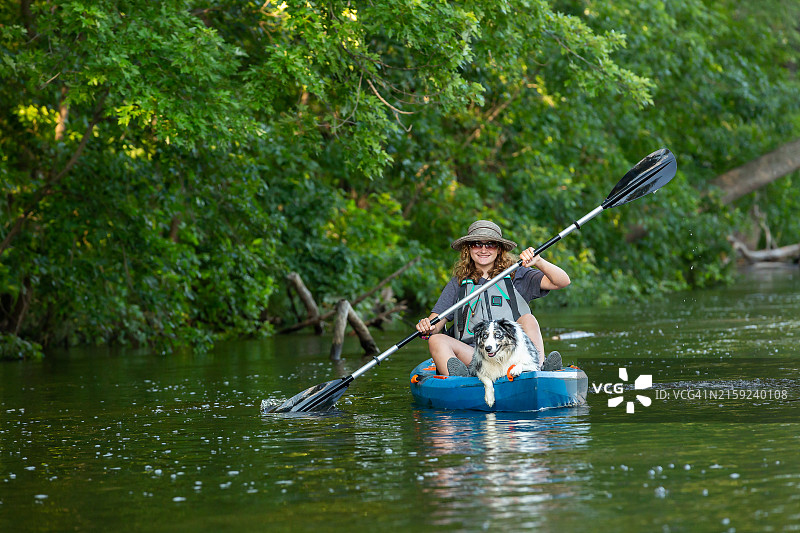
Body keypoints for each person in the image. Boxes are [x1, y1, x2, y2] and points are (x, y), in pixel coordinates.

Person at [415, 220, 570, 376]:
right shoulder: (458, 283)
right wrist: (426, 326)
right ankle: (462, 381)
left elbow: (562, 282)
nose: (483, 249)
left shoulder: (517, 275)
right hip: (475, 358)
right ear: (468, 249)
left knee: (528, 319)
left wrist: (539, 262)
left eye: (490, 244)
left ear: (499, 249)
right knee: (436, 340)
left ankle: (537, 369)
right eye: (477, 244)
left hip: (514, 356)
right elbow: (434, 325)